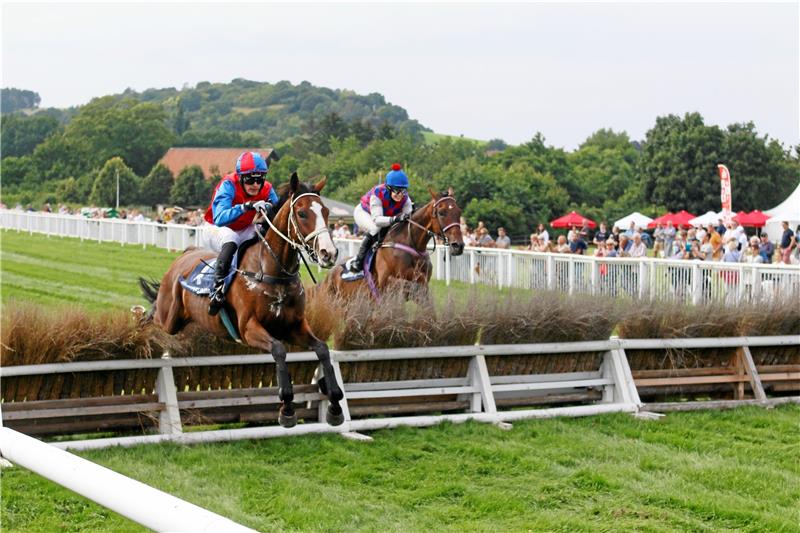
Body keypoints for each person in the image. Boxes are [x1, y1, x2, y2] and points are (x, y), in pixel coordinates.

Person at [202, 151, 278, 316]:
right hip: (216, 227)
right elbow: (220, 218)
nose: (255, 184)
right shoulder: (228, 184)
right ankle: (217, 289)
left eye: (259, 179)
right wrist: (245, 207)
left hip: (244, 228)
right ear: (241, 177)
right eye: (250, 179)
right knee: (232, 239)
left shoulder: (267, 188)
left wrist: (271, 209)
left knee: (265, 237)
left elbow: (279, 216)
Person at [348, 163, 413, 274]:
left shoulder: (406, 198)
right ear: (389, 188)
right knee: (375, 228)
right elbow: (377, 220)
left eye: (403, 190)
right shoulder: (377, 194)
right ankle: (359, 260)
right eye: (397, 190)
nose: (400, 194)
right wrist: (395, 219)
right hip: (364, 213)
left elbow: (408, 218)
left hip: (385, 217)